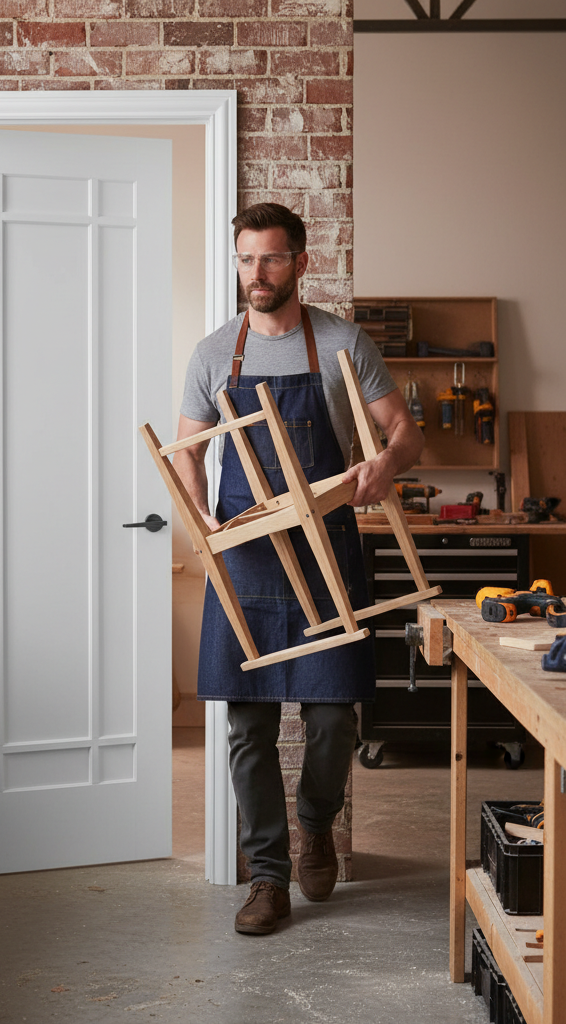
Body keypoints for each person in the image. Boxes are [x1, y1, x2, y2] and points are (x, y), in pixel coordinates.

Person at [174, 203, 424, 936]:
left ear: (301, 262)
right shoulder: (216, 353)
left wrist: (385, 465)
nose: (257, 274)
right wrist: (205, 522)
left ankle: (316, 821)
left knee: (331, 721)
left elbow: (404, 433)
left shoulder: (345, 343)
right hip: (247, 559)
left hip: (326, 555)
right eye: (246, 260)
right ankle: (268, 878)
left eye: (272, 259)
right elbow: (188, 451)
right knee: (248, 730)